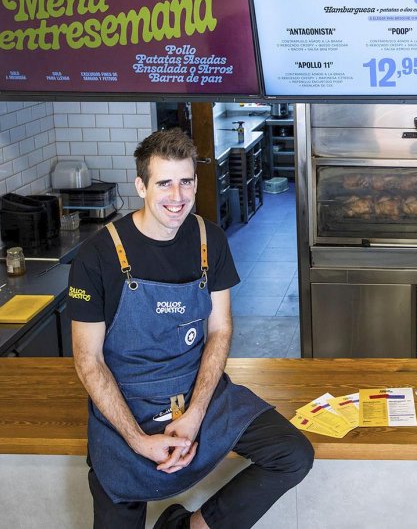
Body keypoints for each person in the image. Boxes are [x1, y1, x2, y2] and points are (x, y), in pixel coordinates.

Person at [69, 128, 313, 529]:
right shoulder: (97, 256)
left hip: (198, 391)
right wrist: (138, 440)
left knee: (292, 454)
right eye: (164, 183)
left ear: (197, 182)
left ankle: (189, 527)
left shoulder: (209, 239)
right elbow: (88, 360)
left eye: (186, 181)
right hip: (128, 403)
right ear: (140, 186)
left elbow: (220, 329)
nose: (177, 196)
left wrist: (196, 412)